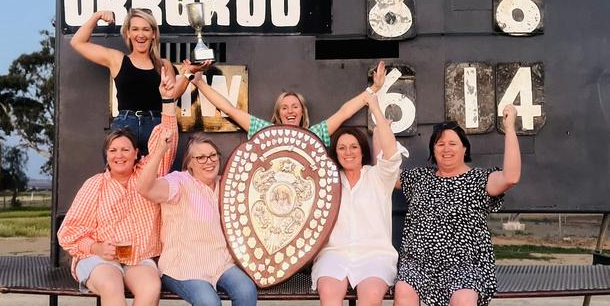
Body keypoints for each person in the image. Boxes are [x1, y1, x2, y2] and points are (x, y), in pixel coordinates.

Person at [57, 68, 178, 306]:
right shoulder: (95, 185)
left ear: (136, 154)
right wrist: (96, 246)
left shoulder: (147, 174)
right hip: (99, 258)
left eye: (125, 150)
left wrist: (167, 101)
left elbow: (167, 139)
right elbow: (68, 233)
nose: (119, 155)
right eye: (113, 150)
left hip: (139, 257)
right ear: (106, 155)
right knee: (112, 287)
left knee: (151, 288)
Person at [394, 105, 521, 306]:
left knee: (464, 300)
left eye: (452, 143)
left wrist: (510, 128)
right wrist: (379, 123)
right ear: (433, 151)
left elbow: (511, 177)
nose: (446, 149)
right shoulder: (420, 177)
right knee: (403, 291)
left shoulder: (478, 179)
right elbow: (386, 173)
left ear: (464, 148)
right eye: (440, 144)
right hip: (418, 265)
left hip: (464, 266)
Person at [137, 133, 258, 306]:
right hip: (183, 268)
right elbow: (144, 188)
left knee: (246, 290)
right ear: (190, 164)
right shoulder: (179, 182)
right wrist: (160, 151)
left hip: (221, 264)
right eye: (200, 158)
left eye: (212, 155)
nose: (209, 161)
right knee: (209, 303)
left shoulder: (226, 184)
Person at [70, 9, 208, 156]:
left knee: (160, 176)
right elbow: (77, 42)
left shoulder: (164, 65)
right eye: (135, 29)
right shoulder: (117, 59)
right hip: (125, 127)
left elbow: (172, 96)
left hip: (157, 126)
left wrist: (188, 73)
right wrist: (97, 16)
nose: (140, 35)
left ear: (153, 34)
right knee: (122, 176)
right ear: (128, 33)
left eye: (146, 29)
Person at [312, 92, 405, 306]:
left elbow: (391, 156)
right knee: (329, 298)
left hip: (374, 255)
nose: (348, 152)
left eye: (354, 147)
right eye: (342, 148)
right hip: (334, 254)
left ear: (363, 151)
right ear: (335, 153)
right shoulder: (328, 181)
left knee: (370, 299)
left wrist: (375, 109)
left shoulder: (378, 177)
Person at [189, 60, 386, 147]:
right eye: (284, 107)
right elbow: (229, 109)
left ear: (302, 112)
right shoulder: (264, 130)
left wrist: (373, 90)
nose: (290, 111)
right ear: (278, 114)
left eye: (294, 107)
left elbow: (344, 113)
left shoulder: (315, 134)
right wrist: (198, 82)